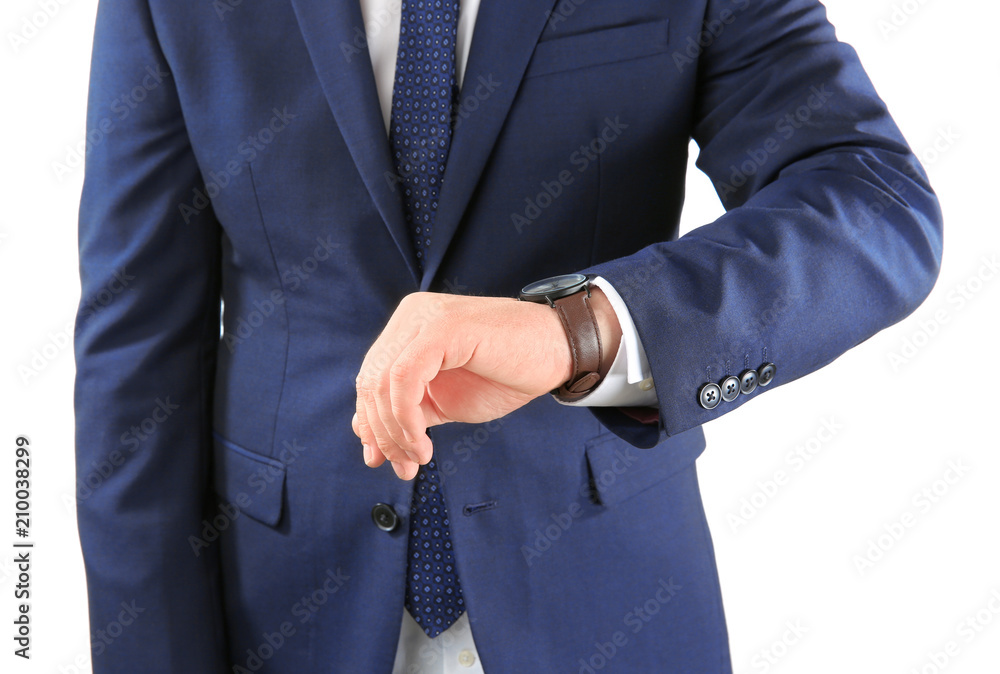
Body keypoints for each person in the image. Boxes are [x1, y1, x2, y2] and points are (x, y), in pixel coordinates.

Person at [73, 0, 942, 671]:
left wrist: (581, 332)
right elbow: (134, 352)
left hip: (609, 602)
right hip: (283, 610)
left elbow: (873, 204)